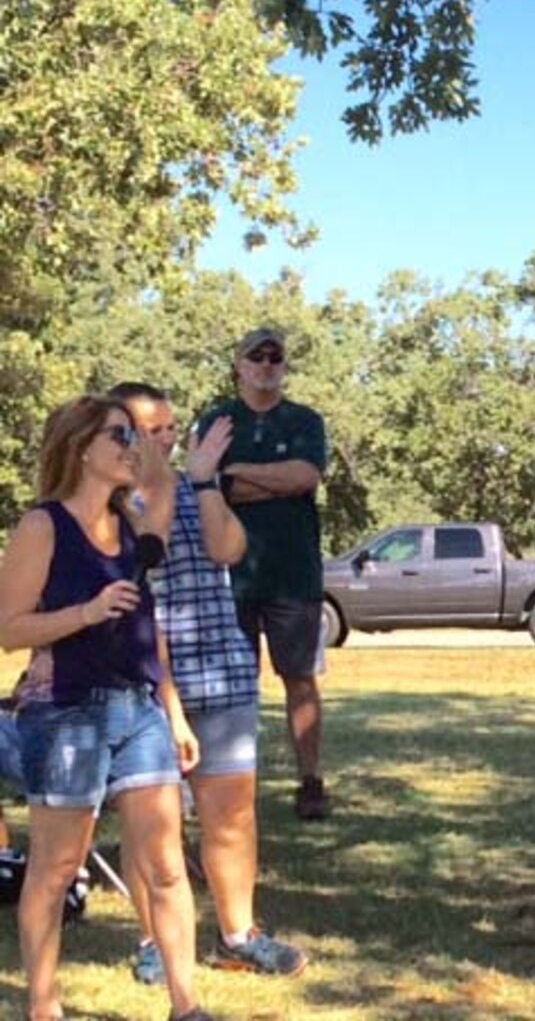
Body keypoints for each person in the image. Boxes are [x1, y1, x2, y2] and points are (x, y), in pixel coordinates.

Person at [0, 395, 214, 1021]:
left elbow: (151, 632)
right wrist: (88, 613)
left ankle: (186, 1005)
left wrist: (171, 711)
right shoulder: (42, 527)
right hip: (66, 711)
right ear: (80, 447)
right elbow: (9, 629)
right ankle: (44, 1007)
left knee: (168, 866)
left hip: (138, 709)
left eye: (133, 436)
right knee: (56, 868)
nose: (132, 445)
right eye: (118, 435)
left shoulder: (137, 521)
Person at [113, 382, 308, 982]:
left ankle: (236, 934)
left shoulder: (199, 484)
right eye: (154, 429)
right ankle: (153, 941)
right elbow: (152, 553)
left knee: (233, 813)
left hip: (222, 668)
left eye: (173, 427)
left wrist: (203, 483)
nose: (169, 438)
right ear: (118, 435)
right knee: (153, 819)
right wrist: (167, 707)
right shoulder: (111, 503)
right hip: (148, 680)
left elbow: (228, 549)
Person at [197, 327, 331, 820]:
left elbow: (305, 476)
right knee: (236, 684)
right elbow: (204, 485)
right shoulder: (216, 422)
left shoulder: (304, 420)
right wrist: (264, 481)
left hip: (294, 575)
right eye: (257, 355)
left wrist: (237, 473)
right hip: (230, 576)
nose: (268, 363)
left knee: (301, 679)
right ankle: (236, 785)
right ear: (239, 364)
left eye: (276, 355)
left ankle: (310, 781)